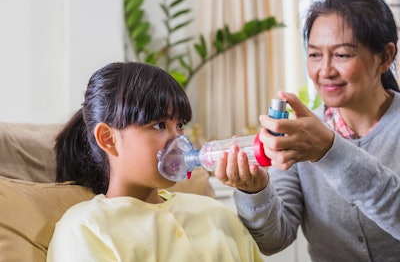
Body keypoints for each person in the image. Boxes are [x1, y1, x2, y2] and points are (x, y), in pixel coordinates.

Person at [214, 0, 400, 261]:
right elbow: (274, 239)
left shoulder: (311, 139)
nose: (324, 71)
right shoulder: (299, 137)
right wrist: (254, 191)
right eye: (314, 54)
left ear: (385, 57)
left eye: (342, 54)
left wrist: (329, 150)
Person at [46, 62, 263, 262]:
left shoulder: (216, 214)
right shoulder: (85, 228)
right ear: (108, 139)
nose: (178, 140)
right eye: (159, 125)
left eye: (180, 125)